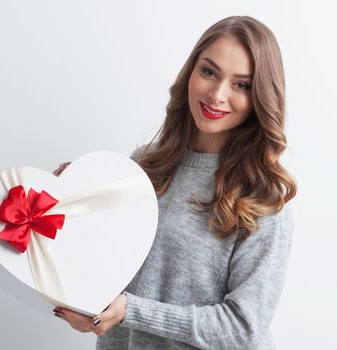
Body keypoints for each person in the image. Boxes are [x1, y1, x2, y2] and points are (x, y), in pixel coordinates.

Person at [51, 15, 297, 349]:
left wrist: (131, 311)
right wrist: (69, 202)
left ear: (260, 97)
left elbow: (244, 328)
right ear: (191, 73)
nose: (217, 94)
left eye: (242, 85)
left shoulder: (263, 200)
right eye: (209, 71)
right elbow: (104, 263)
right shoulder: (144, 164)